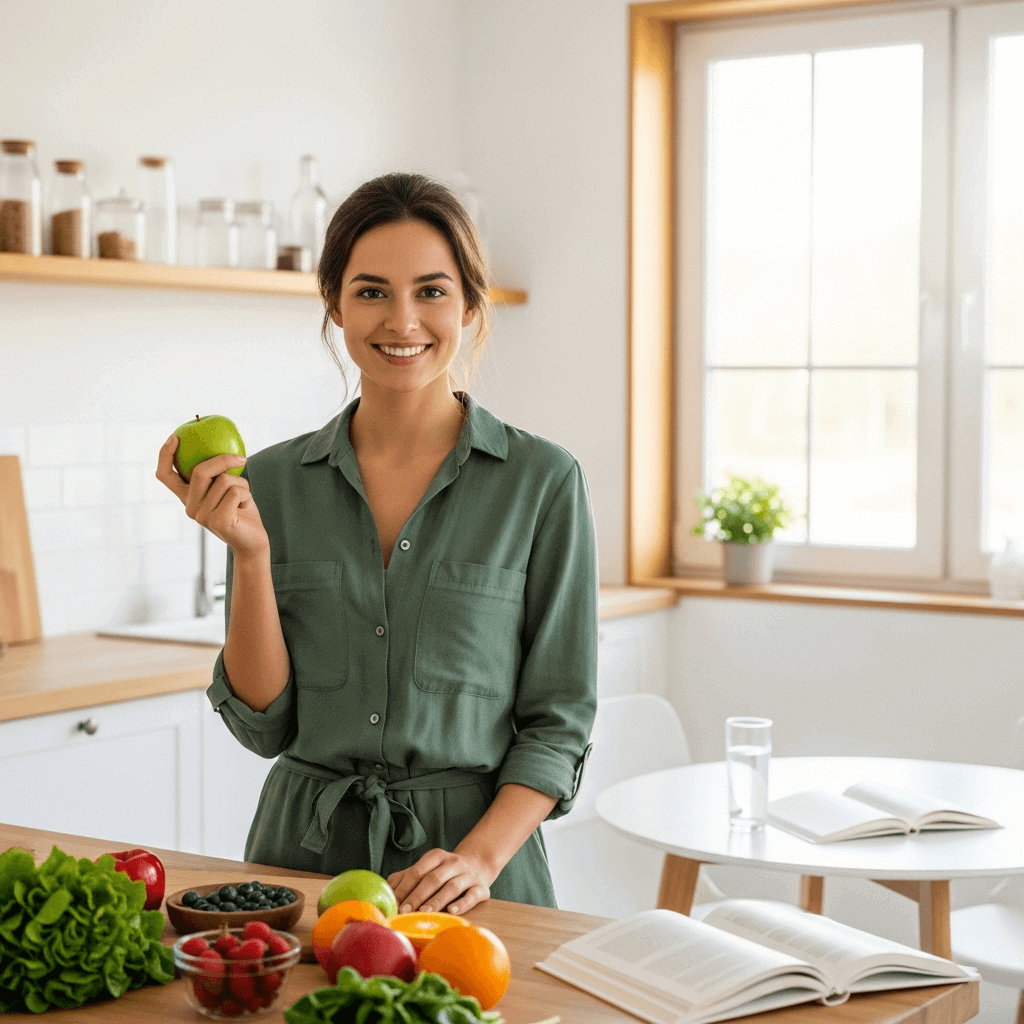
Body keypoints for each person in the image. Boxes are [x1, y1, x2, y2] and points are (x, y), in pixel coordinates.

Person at [155, 171, 598, 916]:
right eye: (370, 292)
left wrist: (476, 861)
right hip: (301, 869)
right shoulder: (270, 480)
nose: (402, 321)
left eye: (431, 291)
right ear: (333, 304)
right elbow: (265, 724)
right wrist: (250, 554)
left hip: (471, 878)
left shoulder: (541, 481)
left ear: (468, 303)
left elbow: (558, 722)